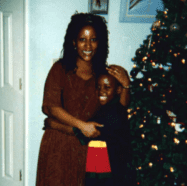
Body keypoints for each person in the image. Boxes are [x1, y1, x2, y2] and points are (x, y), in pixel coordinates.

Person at [36, 12, 131, 186]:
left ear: (99, 42)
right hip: (58, 147)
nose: (88, 45)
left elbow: (118, 110)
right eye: (82, 39)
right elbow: (50, 107)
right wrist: (81, 126)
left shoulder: (104, 74)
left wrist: (126, 85)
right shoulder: (60, 69)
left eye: (93, 39)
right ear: (73, 42)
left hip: (91, 149)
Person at [45, 69, 136, 186]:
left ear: (118, 90)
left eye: (107, 87)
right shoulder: (106, 108)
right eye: (98, 87)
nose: (101, 91)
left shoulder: (114, 112)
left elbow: (89, 132)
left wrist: (53, 125)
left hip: (113, 173)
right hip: (101, 167)